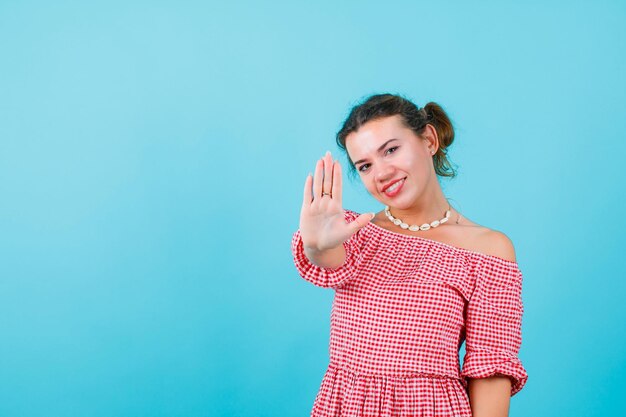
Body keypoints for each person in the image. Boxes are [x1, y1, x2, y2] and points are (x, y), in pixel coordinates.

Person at [290, 93, 528, 417]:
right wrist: (315, 246)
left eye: (391, 150)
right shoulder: (355, 232)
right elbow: (327, 257)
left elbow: (491, 370)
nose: (382, 173)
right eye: (365, 165)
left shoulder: (488, 250)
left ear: (429, 140)